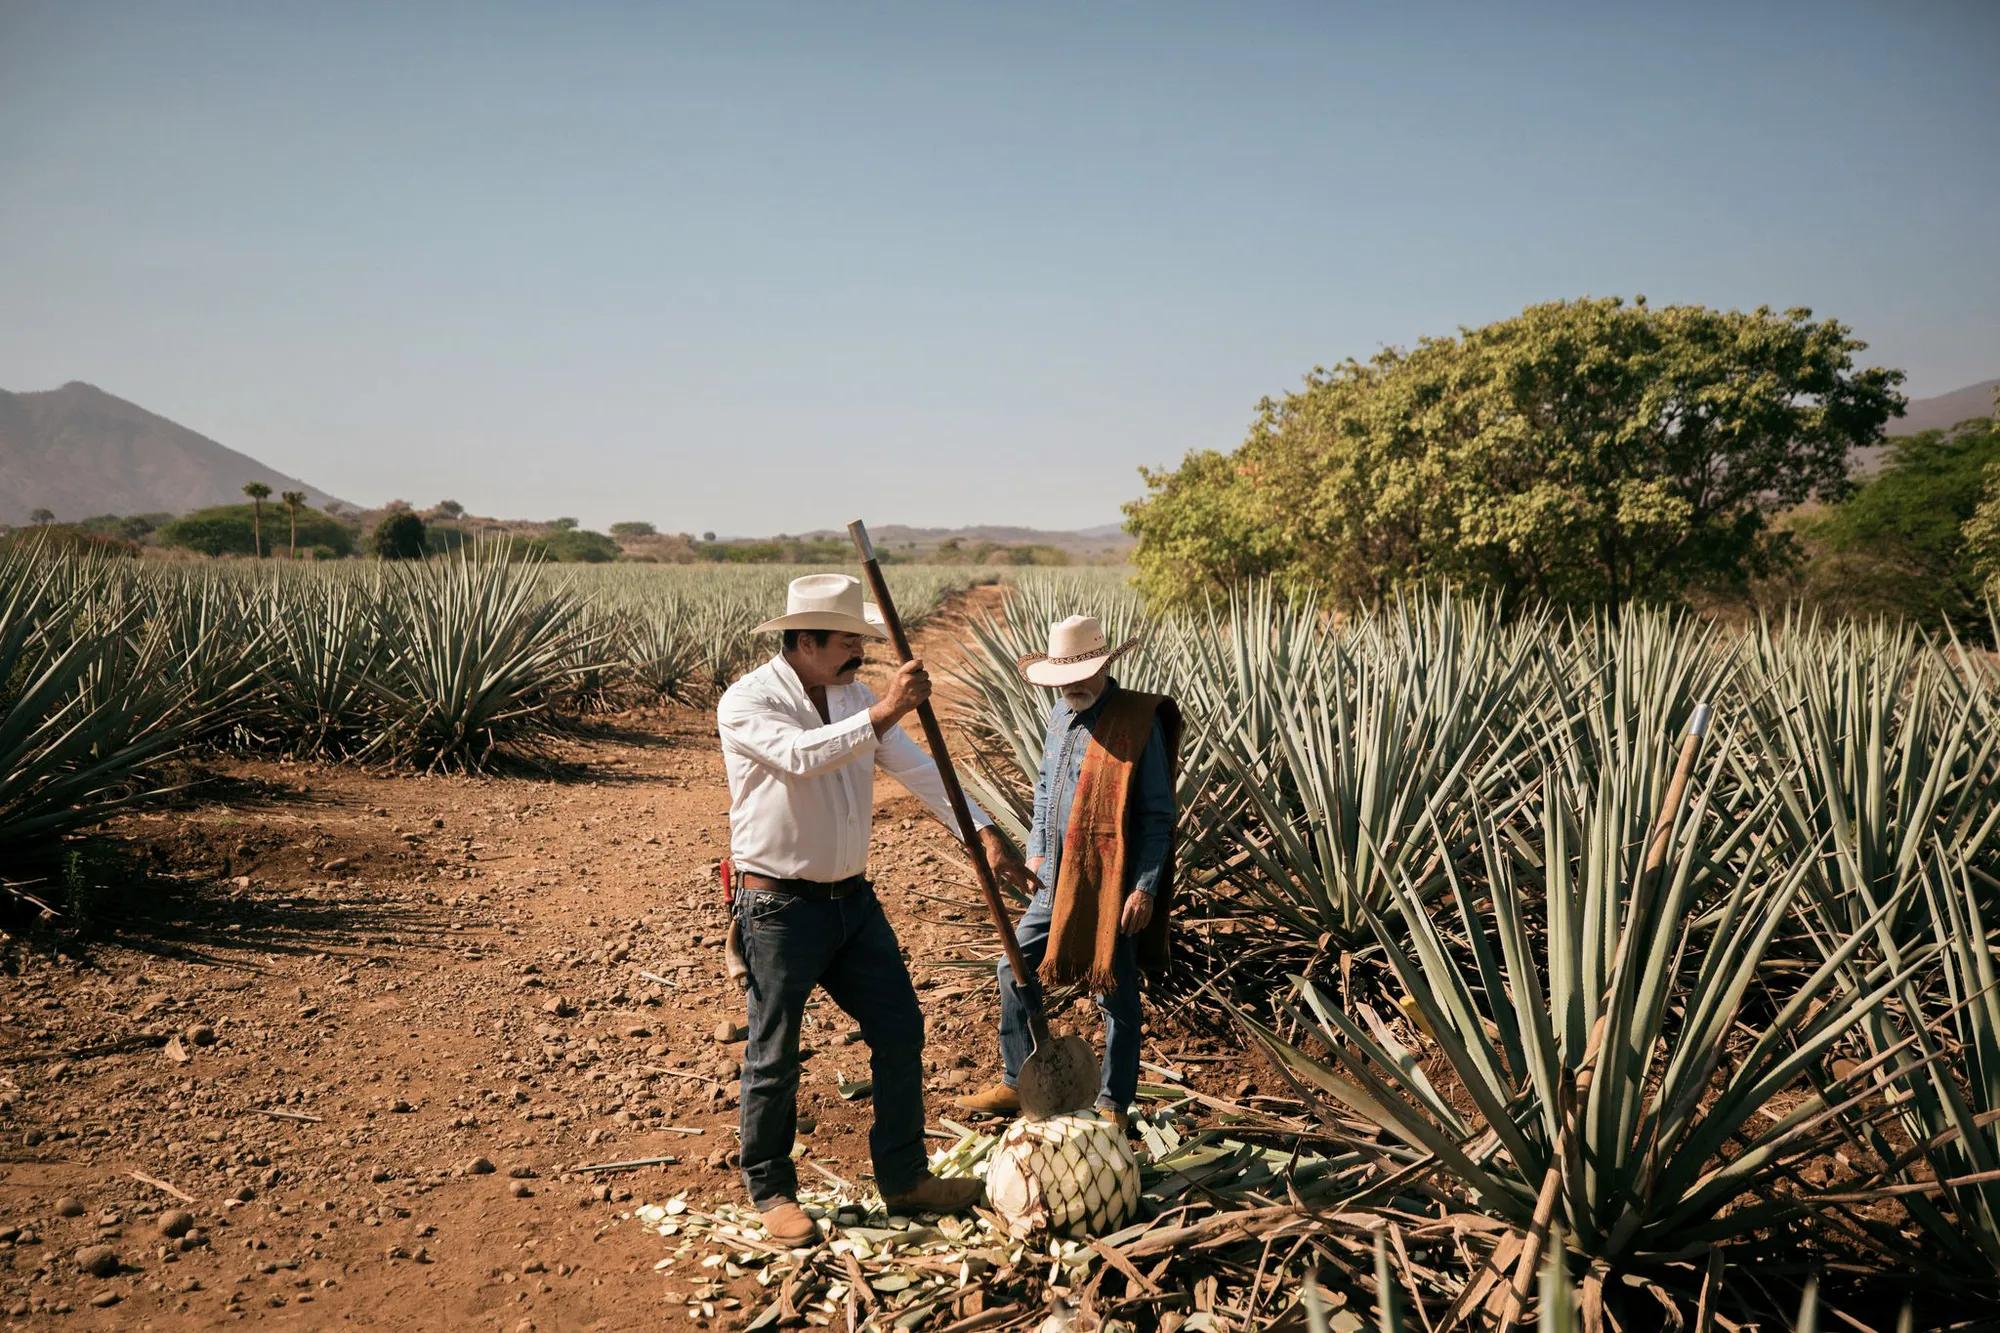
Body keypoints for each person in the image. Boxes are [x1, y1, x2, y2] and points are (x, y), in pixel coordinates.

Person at [718, 573, 1039, 1246]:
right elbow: (798, 758)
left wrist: (978, 828)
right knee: (774, 1051)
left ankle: (904, 1176)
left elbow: (920, 771)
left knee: (899, 1027)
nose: (858, 653)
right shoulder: (748, 702)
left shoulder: (853, 695)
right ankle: (772, 1189)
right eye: (846, 642)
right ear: (804, 640)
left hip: (852, 903)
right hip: (777, 906)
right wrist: (883, 711)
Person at [956, 614, 1181, 1135]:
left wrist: (1144, 887)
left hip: (1110, 887)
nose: (1073, 686)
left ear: (1105, 666)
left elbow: (1156, 817)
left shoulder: (1134, 722)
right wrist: (1036, 852)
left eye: (1083, 674)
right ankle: (1018, 1078)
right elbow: (1043, 793)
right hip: (1052, 881)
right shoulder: (1061, 714)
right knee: (1012, 970)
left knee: (1115, 994)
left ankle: (1112, 1101)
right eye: (1064, 678)